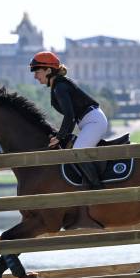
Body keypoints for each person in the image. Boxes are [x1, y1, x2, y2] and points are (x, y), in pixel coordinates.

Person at [29, 51, 107, 189]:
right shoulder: (58, 85)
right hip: (90, 120)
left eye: (37, 71)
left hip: (94, 121)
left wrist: (60, 137)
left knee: (77, 151)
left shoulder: (60, 87)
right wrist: (61, 135)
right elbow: (70, 117)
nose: (35, 76)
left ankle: (97, 189)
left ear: (48, 70)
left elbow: (69, 116)